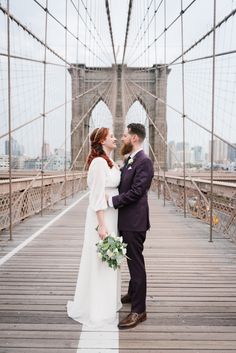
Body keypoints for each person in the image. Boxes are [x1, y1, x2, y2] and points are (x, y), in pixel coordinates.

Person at [67, 127, 122, 327]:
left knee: (109, 259)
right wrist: (101, 225)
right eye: (111, 137)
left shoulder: (109, 161)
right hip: (103, 216)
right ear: (101, 141)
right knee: (101, 259)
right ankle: (98, 308)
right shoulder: (99, 163)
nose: (115, 139)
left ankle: (107, 302)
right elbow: (97, 195)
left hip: (112, 215)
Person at [108, 123, 154, 329]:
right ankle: (133, 292)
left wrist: (113, 201)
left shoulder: (144, 162)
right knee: (131, 260)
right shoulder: (130, 160)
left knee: (136, 264)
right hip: (127, 220)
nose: (123, 138)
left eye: (125, 135)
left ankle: (139, 311)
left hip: (134, 222)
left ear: (134, 138)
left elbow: (137, 191)